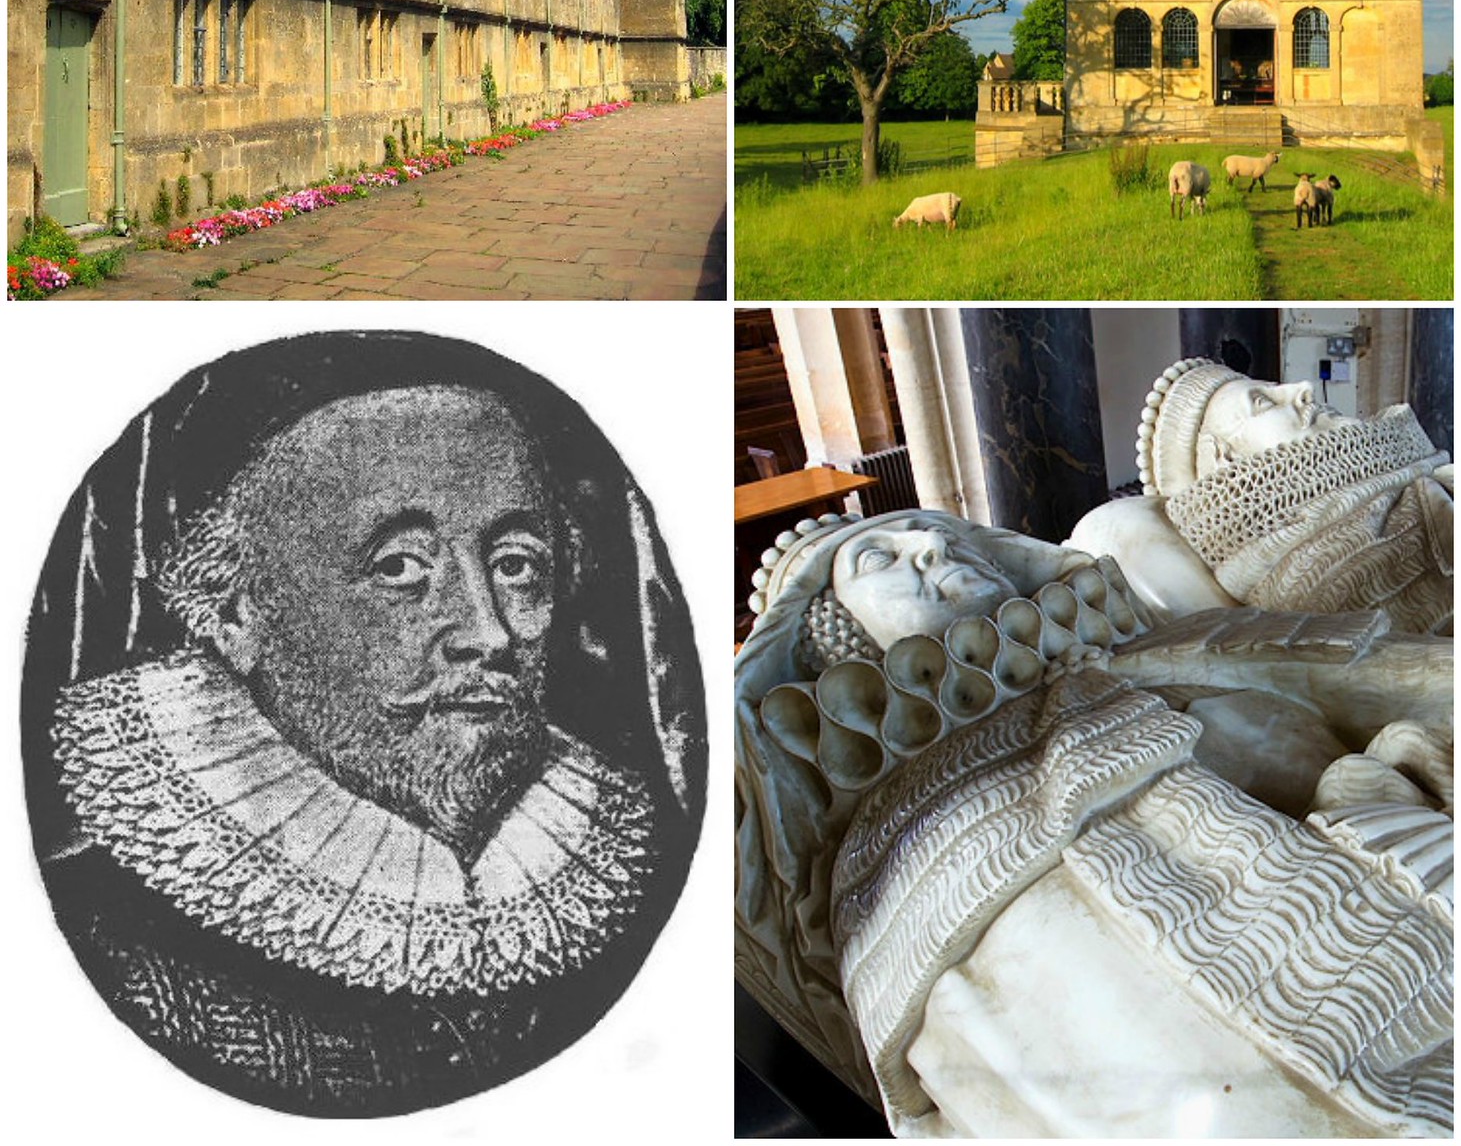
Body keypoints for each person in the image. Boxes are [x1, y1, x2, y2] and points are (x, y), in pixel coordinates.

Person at [28, 334, 703, 1118]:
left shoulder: (632, 859)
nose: (486, 631)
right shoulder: (113, 928)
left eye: (517, 564)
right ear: (234, 609)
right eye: (399, 569)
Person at [735, 508, 1452, 1139]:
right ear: (839, 639)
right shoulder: (910, 838)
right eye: (877, 559)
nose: (926, 549)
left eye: (936, 536)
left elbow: (1398, 683)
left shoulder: (1165, 649)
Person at [1068, 356, 1452, 631]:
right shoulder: (1326, 567)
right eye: (1263, 401)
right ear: (1229, 467)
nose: (1301, 390)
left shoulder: (1411, 481)